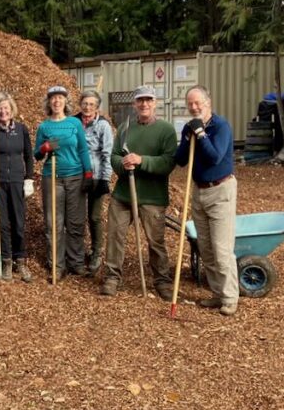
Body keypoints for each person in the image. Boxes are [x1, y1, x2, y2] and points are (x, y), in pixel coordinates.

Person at [101, 85, 178, 299]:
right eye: (140, 100)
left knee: (155, 241)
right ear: (134, 104)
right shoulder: (125, 128)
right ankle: (112, 277)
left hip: (152, 196)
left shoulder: (166, 130)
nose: (144, 104)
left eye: (148, 100)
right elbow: (114, 155)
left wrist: (142, 161)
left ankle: (162, 280)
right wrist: (123, 163)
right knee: (115, 235)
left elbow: (168, 162)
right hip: (124, 194)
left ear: (155, 103)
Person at [175, 85, 238, 316]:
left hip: (220, 190)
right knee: (207, 250)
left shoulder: (221, 127)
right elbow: (181, 160)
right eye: (189, 104)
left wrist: (201, 134)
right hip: (199, 191)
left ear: (207, 103)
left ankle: (230, 297)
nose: (193, 107)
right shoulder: (189, 127)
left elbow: (214, 158)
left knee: (222, 250)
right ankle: (217, 294)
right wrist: (187, 136)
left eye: (197, 103)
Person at [34, 86, 92, 279]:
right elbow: (36, 155)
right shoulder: (44, 127)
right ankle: (57, 266)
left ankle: (76, 262)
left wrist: (88, 173)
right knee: (54, 224)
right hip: (53, 178)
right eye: (53, 98)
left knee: (75, 222)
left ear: (66, 102)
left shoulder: (74, 123)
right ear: (49, 102)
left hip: (75, 176)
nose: (57, 101)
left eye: (60, 98)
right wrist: (44, 147)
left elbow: (83, 149)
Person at [0, 92, 34, 283]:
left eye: (6, 108)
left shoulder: (21, 129)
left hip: (17, 182)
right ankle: (6, 260)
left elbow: (28, 155)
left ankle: (20, 259)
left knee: (19, 222)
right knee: (3, 224)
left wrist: (29, 179)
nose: (3, 111)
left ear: (11, 110)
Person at [74, 91, 114, 276]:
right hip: (77, 175)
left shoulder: (103, 125)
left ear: (97, 107)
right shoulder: (74, 123)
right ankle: (78, 252)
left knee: (95, 216)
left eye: (91, 104)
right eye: (85, 103)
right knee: (77, 216)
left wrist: (105, 179)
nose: (87, 107)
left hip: (97, 175)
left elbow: (107, 153)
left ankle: (97, 251)